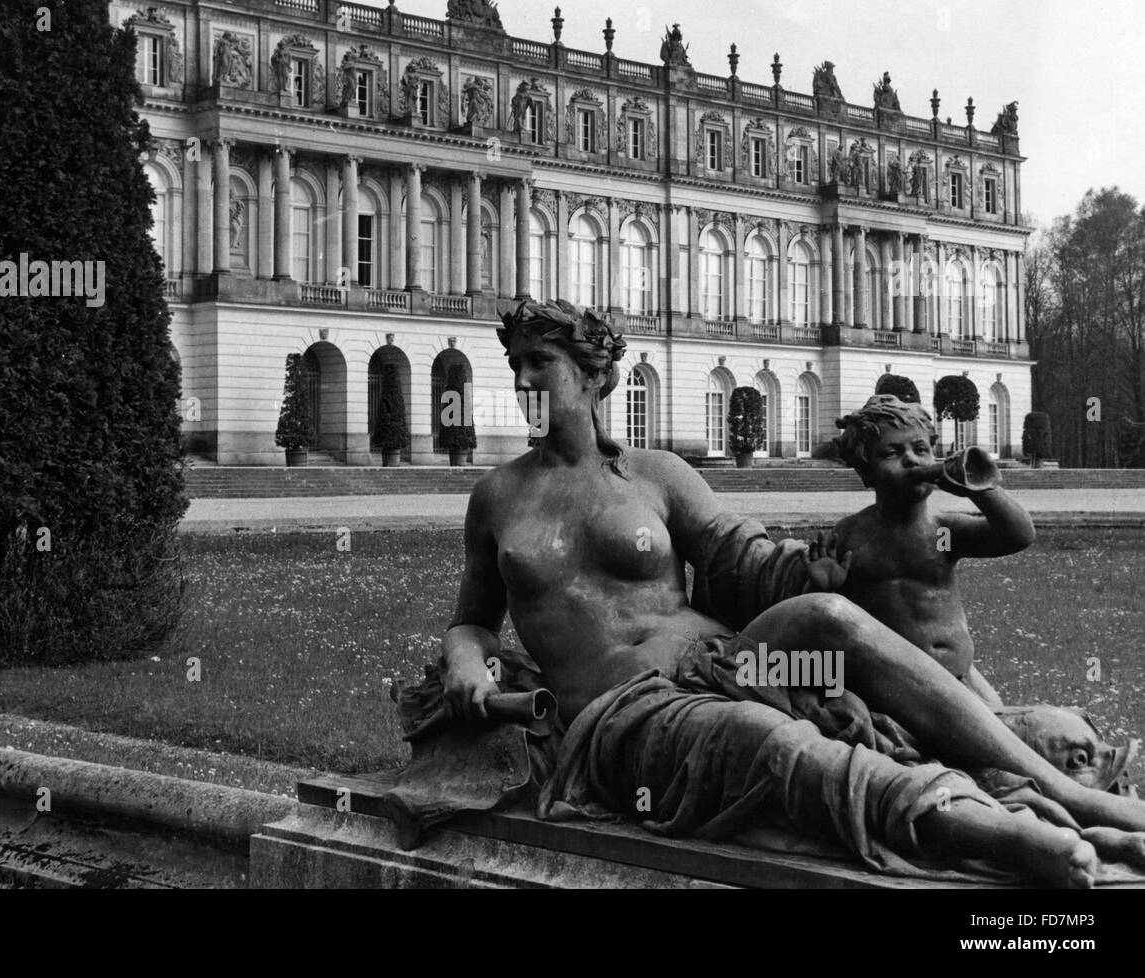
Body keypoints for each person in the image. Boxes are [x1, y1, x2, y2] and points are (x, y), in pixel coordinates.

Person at [439, 298, 1145, 885]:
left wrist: (811, 575)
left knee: (830, 620)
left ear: (593, 377)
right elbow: (473, 620)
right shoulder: (498, 497)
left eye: (542, 363)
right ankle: (986, 830)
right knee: (760, 737)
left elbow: (740, 556)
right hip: (625, 708)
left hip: (736, 663)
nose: (525, 378)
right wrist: (467, 658)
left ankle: (1067, 795)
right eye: (517, 365)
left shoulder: (656, 474)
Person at [825, 395, 1028, 706]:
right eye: (893, 452)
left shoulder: (943, 532)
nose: (912, 460)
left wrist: (980, 490)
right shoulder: (851, 534)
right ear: (867, 471)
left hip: (959, 680)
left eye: (921, 449)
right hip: (894, 690)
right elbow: (837, 619)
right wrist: (827, 586)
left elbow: (1018, 535)